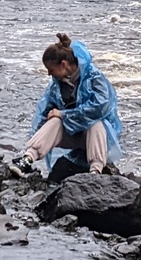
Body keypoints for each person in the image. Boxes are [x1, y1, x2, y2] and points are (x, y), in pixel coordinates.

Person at [10, 33, 123, 180]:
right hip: (71, 134)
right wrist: (39, 133)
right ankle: (27, 159)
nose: (49, 73)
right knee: (54, 120)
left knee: (96, 123)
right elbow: (46, 114)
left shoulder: (94, 78)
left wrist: (64, 114)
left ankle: (95, 171)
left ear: (63, 64)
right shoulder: (57, 85)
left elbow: (99, 108)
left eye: (51, 69)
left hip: (96, 137)